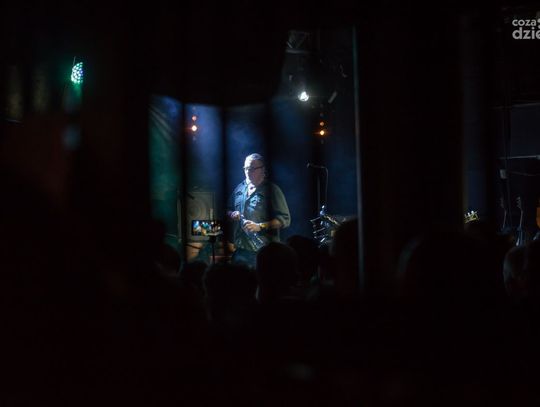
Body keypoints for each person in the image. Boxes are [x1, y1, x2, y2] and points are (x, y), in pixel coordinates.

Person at [227, 153, 290, 268]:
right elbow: (227, 209)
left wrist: (260, 226)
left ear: (263, 169)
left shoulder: (272, 190)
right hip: (241, 249)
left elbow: (285, 219)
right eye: (246, 168)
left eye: (252, 168)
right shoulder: (239, 188)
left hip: (264, 251)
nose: (248, 172)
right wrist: (232, 214)